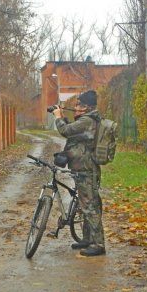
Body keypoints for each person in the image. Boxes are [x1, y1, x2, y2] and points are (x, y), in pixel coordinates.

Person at [52, 90, 106, 257]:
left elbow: (66, 131)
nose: (75, 107)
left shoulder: (87, 120)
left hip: (86, 169)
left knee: (90, 206)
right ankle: (87, 239)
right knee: (85, 204)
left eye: (77, 104)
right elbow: (74, 132)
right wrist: (66, 119)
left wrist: (58, 117)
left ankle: (98, 244)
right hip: (83, 167)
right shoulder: (87, 120)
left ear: (85, 107)